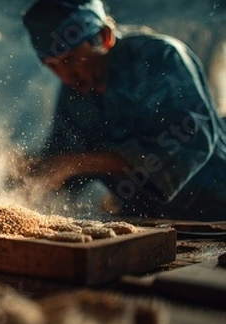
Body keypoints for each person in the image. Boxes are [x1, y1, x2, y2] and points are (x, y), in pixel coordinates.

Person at [19, 0, 226, 220]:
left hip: (214, 211)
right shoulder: (74, 93)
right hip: (149, 222)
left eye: (70, 59)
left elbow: (185, 147)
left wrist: (77, 163)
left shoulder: (160, 58)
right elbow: (60, 159)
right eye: (52, 65)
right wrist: (27, 171)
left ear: (105, 37)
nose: (65, 75)